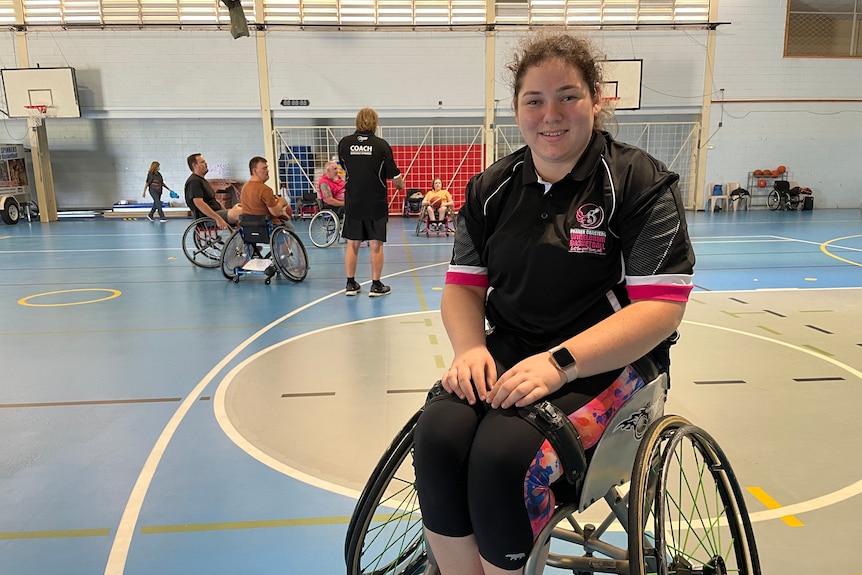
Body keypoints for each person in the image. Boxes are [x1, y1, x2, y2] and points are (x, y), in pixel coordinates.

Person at [412, 32, 696, 575]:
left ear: (596, 98)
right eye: (534, 100)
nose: (551, 114)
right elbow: (464, 286)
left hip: (608, 366)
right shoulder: (490, 188)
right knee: (439, 438)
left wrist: (560, 363)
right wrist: (471, 349)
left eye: (568, 96)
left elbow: (660, 310)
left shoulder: (640, 183)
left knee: (501, 459)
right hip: (512, 352)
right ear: (516, 108)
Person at [337, 107, 405, 297]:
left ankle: (350, 284)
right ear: (375, 122)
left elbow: (345, 168)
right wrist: (401, 185)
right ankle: (376, 285)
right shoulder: (381, 145)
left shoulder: (344, 144)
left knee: (352, 244)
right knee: (376, 245)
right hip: (376, 202)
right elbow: (394, 174)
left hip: (353, 201)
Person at [184, 153, 242, 230]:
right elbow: (199, 204)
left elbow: (214, 200)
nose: (206, 164)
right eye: (202, 162)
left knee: (239, 207)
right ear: (195, 166)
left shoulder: (201, 180)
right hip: (208, 218)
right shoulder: (194, 182)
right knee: (242, 213)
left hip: (217, 213)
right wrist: (218, 218)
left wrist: (225, 211)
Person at [239, 156, 294, 231]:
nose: (267, 171)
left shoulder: (244, 188)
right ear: (255, 171)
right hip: (265, 227)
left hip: (248, 228)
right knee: (290, 226)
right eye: (264, 168)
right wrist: (281, 202)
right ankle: (285, 243)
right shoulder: (265, 190)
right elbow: (276, 212)